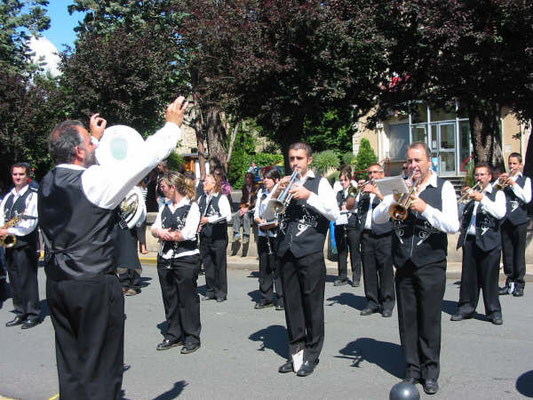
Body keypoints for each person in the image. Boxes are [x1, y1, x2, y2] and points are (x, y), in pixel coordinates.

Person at [38, 96, 188, 400]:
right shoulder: (95, 182)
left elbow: (78, 161)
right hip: (92, 285)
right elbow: (144, 158)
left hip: (58, 284)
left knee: (71, 365)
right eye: (91, 145)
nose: (97, 148)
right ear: (79, 152)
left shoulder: (47, 181)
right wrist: (172, 126)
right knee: (103, 368)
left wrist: (92, 136)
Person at [373, 142, 459, 395]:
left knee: (430, 320)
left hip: (431, 263)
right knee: (407, 319)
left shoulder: (442, 187)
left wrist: (425, 208)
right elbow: (376, 219)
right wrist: (393, 199)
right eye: (409, 161)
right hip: (404, 263)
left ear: (429, 162)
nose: (412, 166)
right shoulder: (401, 184)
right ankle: (411, 369)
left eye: (417, 161)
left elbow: (452, 225)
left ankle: (430, 372)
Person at [274, 142, 339, 377]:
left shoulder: (320, 183)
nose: (295, 163)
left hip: (310, 253)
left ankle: (312, 354)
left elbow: (334, 213)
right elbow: (266, 213)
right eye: (291, 159)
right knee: (292, 306)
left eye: (299, 159)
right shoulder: (286, 182)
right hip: (286, 252)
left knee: (312, 307)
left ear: (309, 160)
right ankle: (296, 355)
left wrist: (309, 195)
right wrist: (275, 190)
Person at [151, 172, 201, 354]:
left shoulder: (191, 207)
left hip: (185, 258)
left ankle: (192, 337)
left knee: (187, 299)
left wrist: (169, 235)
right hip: (165, 257)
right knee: (169, 298)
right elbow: (154, 227)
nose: (161, 190)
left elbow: (188, 232)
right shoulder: (164, 206)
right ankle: (173, 334)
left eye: (163, 187)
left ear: (173, 188)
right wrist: (159, 232)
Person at [452, 163, 506, 325]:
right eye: (477, 175)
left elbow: (500, 213)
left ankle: (493, 311)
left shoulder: (497, 194)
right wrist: (462, 202)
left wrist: (482, 199)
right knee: (469, 279)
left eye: (482, 175)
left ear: (489, 177)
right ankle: (466, 308)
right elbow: (459, 217)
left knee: (490, 279)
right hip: (470, 241)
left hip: (490, 242)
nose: (479, 178)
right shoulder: (471, 196)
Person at [0, 162, 40, 329]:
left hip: (24, 243)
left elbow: (31, 222)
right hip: (9, 243)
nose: (17, 177)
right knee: (14, 278)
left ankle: (33, 313)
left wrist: (9, 231)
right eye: (15, 174)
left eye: (21, 174)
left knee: (27, 279)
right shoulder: (9, 195)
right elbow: (2, 214)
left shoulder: (32, 195)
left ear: (27, 176)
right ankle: (20, 311)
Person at [358, 164, 395, 318]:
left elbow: (393, 206)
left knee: (385, 270)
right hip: (367, 235)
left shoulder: (388, 188)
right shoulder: (365, 191)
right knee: (369, 270)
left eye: (375, 172)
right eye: (370, 172)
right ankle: (372, 302)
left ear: (382, 173)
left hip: (384, 234)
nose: (372, 175)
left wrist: (376, 191)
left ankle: (387, 303)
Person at [498, 153, 531, 297]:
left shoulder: (525, 181)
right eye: (510, 164)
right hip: (506, 221)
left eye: (514, 164)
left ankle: (519, 283)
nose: (512, 166)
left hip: (519, 221)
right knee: (507, 252)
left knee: (519, 252)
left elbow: (527, 198)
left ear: (520, 165)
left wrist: (514, 184)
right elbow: (495, 192)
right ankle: (509, 281)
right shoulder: (504, 180)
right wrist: (499, 181)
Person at [198, 173, 232, 302]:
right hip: (205, 236)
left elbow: (227, 216)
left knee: (219, 265)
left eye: (206, 182)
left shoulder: (221, 198)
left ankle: (221, 292)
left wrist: (209, 219)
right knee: (207, 264)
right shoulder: (202, 198)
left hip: (218, 237)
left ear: (214, 184)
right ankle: (210, 290)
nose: (203, 184)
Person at [253, 167, 283, 310]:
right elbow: (256, 214)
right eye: (263, 178)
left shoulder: (281, 193)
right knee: (264, 267)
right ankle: (266, 297)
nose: (264, 180)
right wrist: (261, 222)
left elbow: (281, 214)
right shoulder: (261, 193)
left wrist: (274, 223)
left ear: (276, 180)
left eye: (267, 178)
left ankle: (282, 298)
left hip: (277, 234)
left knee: (278, 267)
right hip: (264, 234)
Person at [333, 165, 362, 287]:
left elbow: (352, 204)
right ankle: (342, 276)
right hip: (340, 223)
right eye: (341, 180)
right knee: (341, 251)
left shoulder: (354, 189)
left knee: (354, 251)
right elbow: (336, 206)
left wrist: (346, 206)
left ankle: (356, 278)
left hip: (352, 223)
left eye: (345, 180)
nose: (343, 182)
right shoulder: (338, 193)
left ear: (350, 180)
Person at [232, 172, 258, 244]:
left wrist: (247, 208)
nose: (247, 179)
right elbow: (243, 199)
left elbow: (256, 200)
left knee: (246, 215)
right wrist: (242, 207)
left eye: (249, 178)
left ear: (252, 179)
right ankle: (236, 234)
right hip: (246, 206)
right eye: (246, 178)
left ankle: (246, 235)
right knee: (237, 214)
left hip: (254, 208)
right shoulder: (244, 187)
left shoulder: (256, 187)